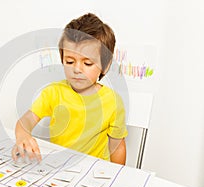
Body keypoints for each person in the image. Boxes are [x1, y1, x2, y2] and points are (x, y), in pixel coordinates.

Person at [12, 13, 128, 165]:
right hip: (60, 168)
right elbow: (24, 122)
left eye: (87, 63)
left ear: (105, 66)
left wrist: (116, 177)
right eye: (70, 61)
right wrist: (23, 136)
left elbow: (117, 147)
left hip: (93, 172)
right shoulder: (53, 92)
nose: (77, 69)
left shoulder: (113, 102)